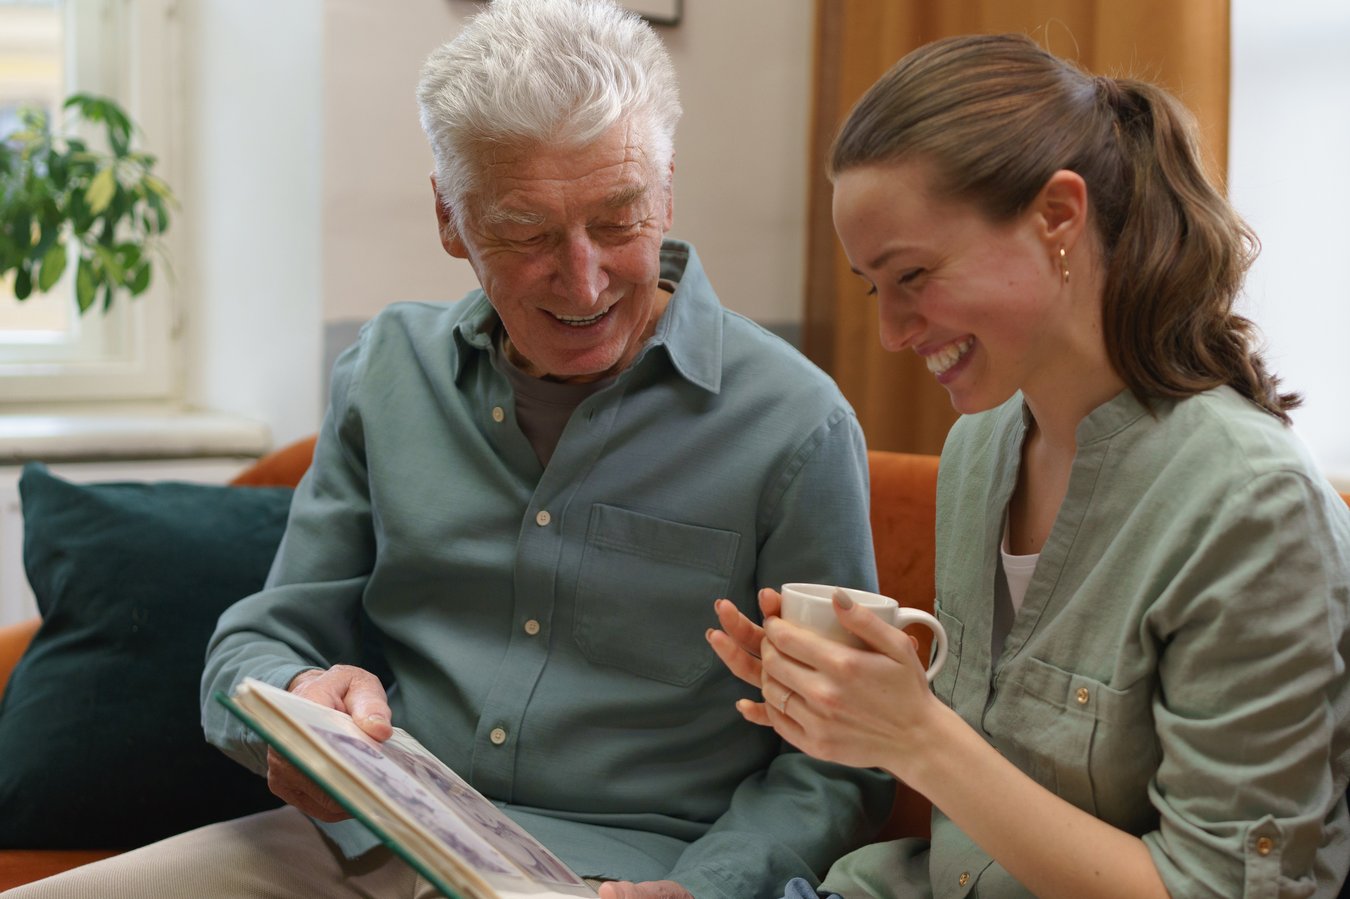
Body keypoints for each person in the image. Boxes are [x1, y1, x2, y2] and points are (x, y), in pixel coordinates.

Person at [4, 2, 893, 897]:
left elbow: (841, 760)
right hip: (363, 840)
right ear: (450, 218)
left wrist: (713, 887)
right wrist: (294, 703)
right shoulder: (388, 371)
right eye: (527, 232)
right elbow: (263, 638)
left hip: (626, 874)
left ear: (665, 195)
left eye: (619, 222)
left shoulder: (795, 423)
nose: (583, 279)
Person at [709, 32, 1350, 899]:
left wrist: (915, 735)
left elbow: (1217, 890)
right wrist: (843, 704)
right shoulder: (983, 447)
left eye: (914, 275)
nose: (893, 331)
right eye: (873, 286)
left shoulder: (1252, 506)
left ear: (1058, 215)